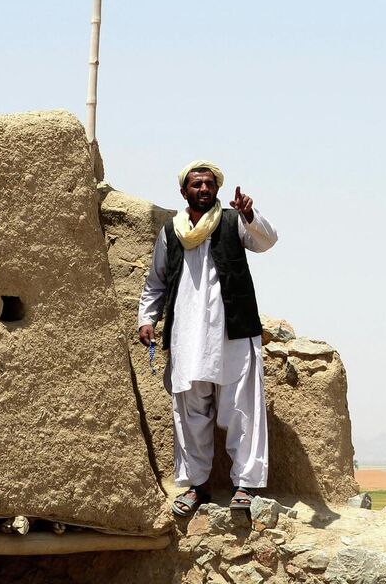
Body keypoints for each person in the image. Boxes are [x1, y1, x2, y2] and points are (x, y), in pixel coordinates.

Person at [138, 160, 280, 516]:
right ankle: (196, 487)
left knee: (240, 409)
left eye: (209, 184)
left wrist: (250, 215)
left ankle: (245, 486)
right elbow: (156, 281)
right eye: (196, 184)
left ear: (217, 189)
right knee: (191, 412)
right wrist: (148, 318)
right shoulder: (171, 232)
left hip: (231, 331)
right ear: (183, 191)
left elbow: (266, 242)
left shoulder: (233, 222)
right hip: (187, 336)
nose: (204, 189)